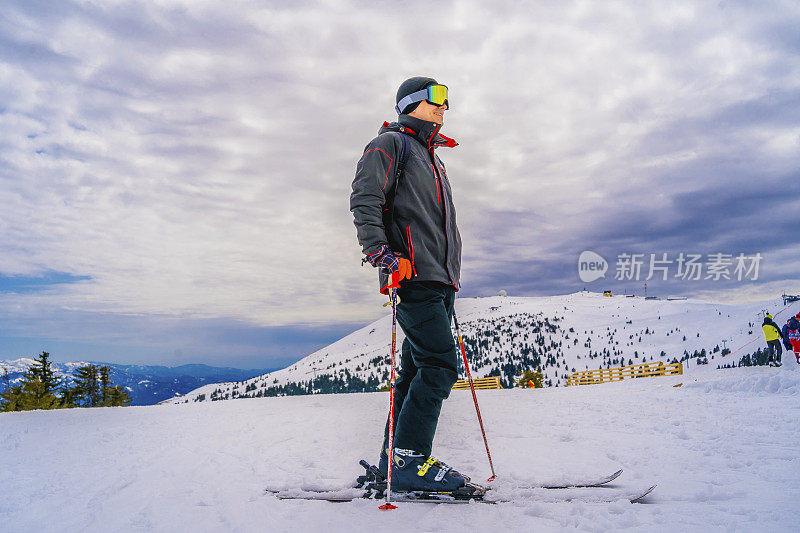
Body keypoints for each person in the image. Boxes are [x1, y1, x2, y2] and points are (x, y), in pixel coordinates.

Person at [350, 77, 468, 493]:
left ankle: (393, 459)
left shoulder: (430, 157)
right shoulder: (390, 145)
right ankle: (411, 459)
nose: (444, 106)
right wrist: (379, 252)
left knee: (416, 369)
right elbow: (365, 198)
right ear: (411, 103)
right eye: (436, 98)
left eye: (446, 101)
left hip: (438, 278)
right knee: (439, 364)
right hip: (412, 274)